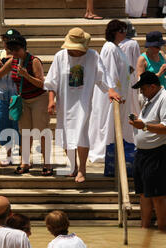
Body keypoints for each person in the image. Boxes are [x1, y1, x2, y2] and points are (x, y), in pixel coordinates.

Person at [45, 27, 118, 183]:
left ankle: (82, 169)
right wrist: (51, 101)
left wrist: (110, 90)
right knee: (66, 136)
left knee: (81, 135)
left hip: (83, 103)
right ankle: (73, 166)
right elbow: (52, 82)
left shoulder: (92, 56)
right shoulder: (60, 57)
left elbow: (102, 76)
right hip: (64, 104)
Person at [0, 35, 52, 176]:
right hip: (24, 100)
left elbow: (41, 83)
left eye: (16, 50)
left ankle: (47, 163)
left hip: (38, 98)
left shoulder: (34, 61)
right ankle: (25, 161)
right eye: (11, 50)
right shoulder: (13, 61)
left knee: (41, 131)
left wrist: (26, 75)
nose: (14, 53)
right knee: (25, 131)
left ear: (23, 48)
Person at [129, 72, 166, 231]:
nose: (141, 92)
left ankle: (162, 229)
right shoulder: (150, 99)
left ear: (153, 86)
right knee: (143, 193)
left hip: (157, 153)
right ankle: (145, 228)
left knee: (158, 195)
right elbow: (148, 122)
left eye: (142, 89)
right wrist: (140, 122)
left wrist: (143, 126)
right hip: (142, 152)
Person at [88, 19, 135, 177]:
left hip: (120, 91)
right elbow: (109, 72)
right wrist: (114, 90)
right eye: (121, 31)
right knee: (108, 121)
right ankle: (104, 149)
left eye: (125, 30)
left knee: (117, 123)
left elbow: (120, 68)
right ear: (114, 32)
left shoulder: (117, 48)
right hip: (112, 93)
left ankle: (115, 147)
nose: (124, 33)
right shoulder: (109, 48)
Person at [0, 29, 20, 167]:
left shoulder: (19, 55)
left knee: (16, 125)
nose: (6, 43)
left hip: (15, 96)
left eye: (9, 40)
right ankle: (7, 154)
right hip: (1, 96)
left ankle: (18, 154)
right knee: (3, 124)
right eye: (5, 40)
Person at [119, 20, 141, 114]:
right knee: (132, 101)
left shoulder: (114, 43)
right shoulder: (133, 44)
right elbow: (137, 61)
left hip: (119, 75)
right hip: (130, 75)